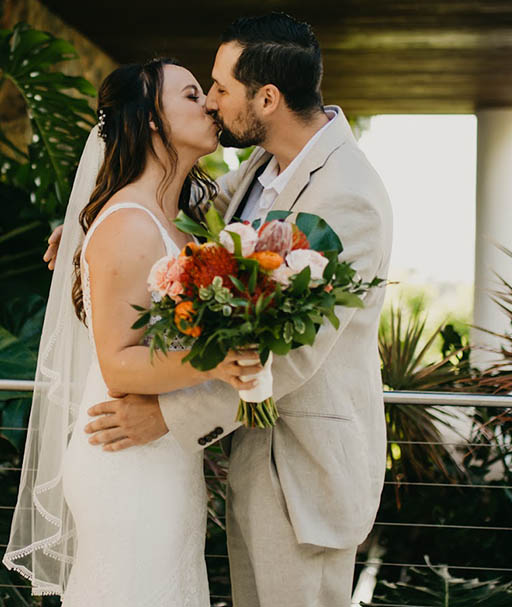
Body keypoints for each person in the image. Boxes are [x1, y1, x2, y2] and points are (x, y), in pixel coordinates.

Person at [42, 13, 394, 606]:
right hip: (239, 458)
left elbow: (298, 353)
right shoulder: (259, 169)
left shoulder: (348, 196)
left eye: (221, 89)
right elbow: (166, 217)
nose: (211, 102)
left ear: (267, 97)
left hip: (303, 473)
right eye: (199, 90)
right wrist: (84, 230)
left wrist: (168, 418)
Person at [3, 57, 262, 605]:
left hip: (162, 457)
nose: (210, 104)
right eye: (192, 95)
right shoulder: (128, 224)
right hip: (125, 462)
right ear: (149, 119)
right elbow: (119, 364)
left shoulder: (172, 218)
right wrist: (213, 360)